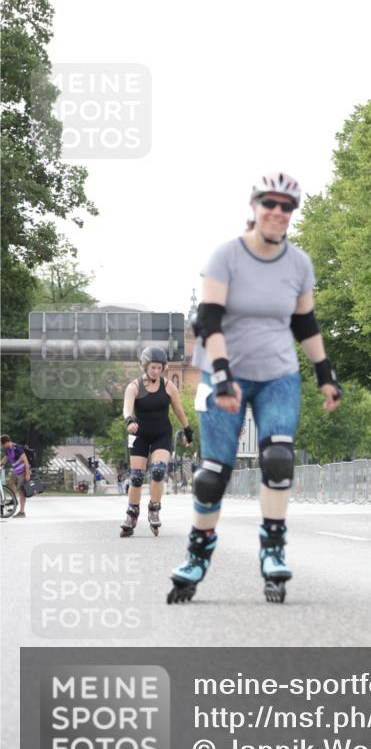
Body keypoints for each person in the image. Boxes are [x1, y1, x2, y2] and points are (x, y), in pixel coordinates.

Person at [167, 170, 342, 605]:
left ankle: (273, 552)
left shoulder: (299, 263)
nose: (278, 213)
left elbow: (305, 322)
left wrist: (325, 374)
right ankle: (197, 556)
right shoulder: (226, 256)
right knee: (212, 476)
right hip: (221, 373)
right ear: (254, 206)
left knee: (278, 459)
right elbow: (208, 320)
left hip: (278, 374)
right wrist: (223, 373)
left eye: (287, 207)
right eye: (270, 204)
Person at [121, 347, 193, 537]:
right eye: (153, 367)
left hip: (162, 433)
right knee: (136, 476)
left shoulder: (169, 386)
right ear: (145, 367)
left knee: (159, 471)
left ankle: (154, 509)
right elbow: (127, 407)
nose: (156, 371)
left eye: (159, 368)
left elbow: (178, 410)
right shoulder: (134, 386)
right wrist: (129, 421)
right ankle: (132, 513)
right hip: (140, 435)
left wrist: (187, 430)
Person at [0, 435, 31, 517]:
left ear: (6, 442)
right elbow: (5, 459)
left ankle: (22, 512)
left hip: (23, 471)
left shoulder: (17, 448)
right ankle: (14, 499)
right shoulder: (8, 449)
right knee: (10, 483)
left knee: (21, 491)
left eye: (2, 445)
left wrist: (27, 474)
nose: (2, 447)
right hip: (16, 471)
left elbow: (26, 461)